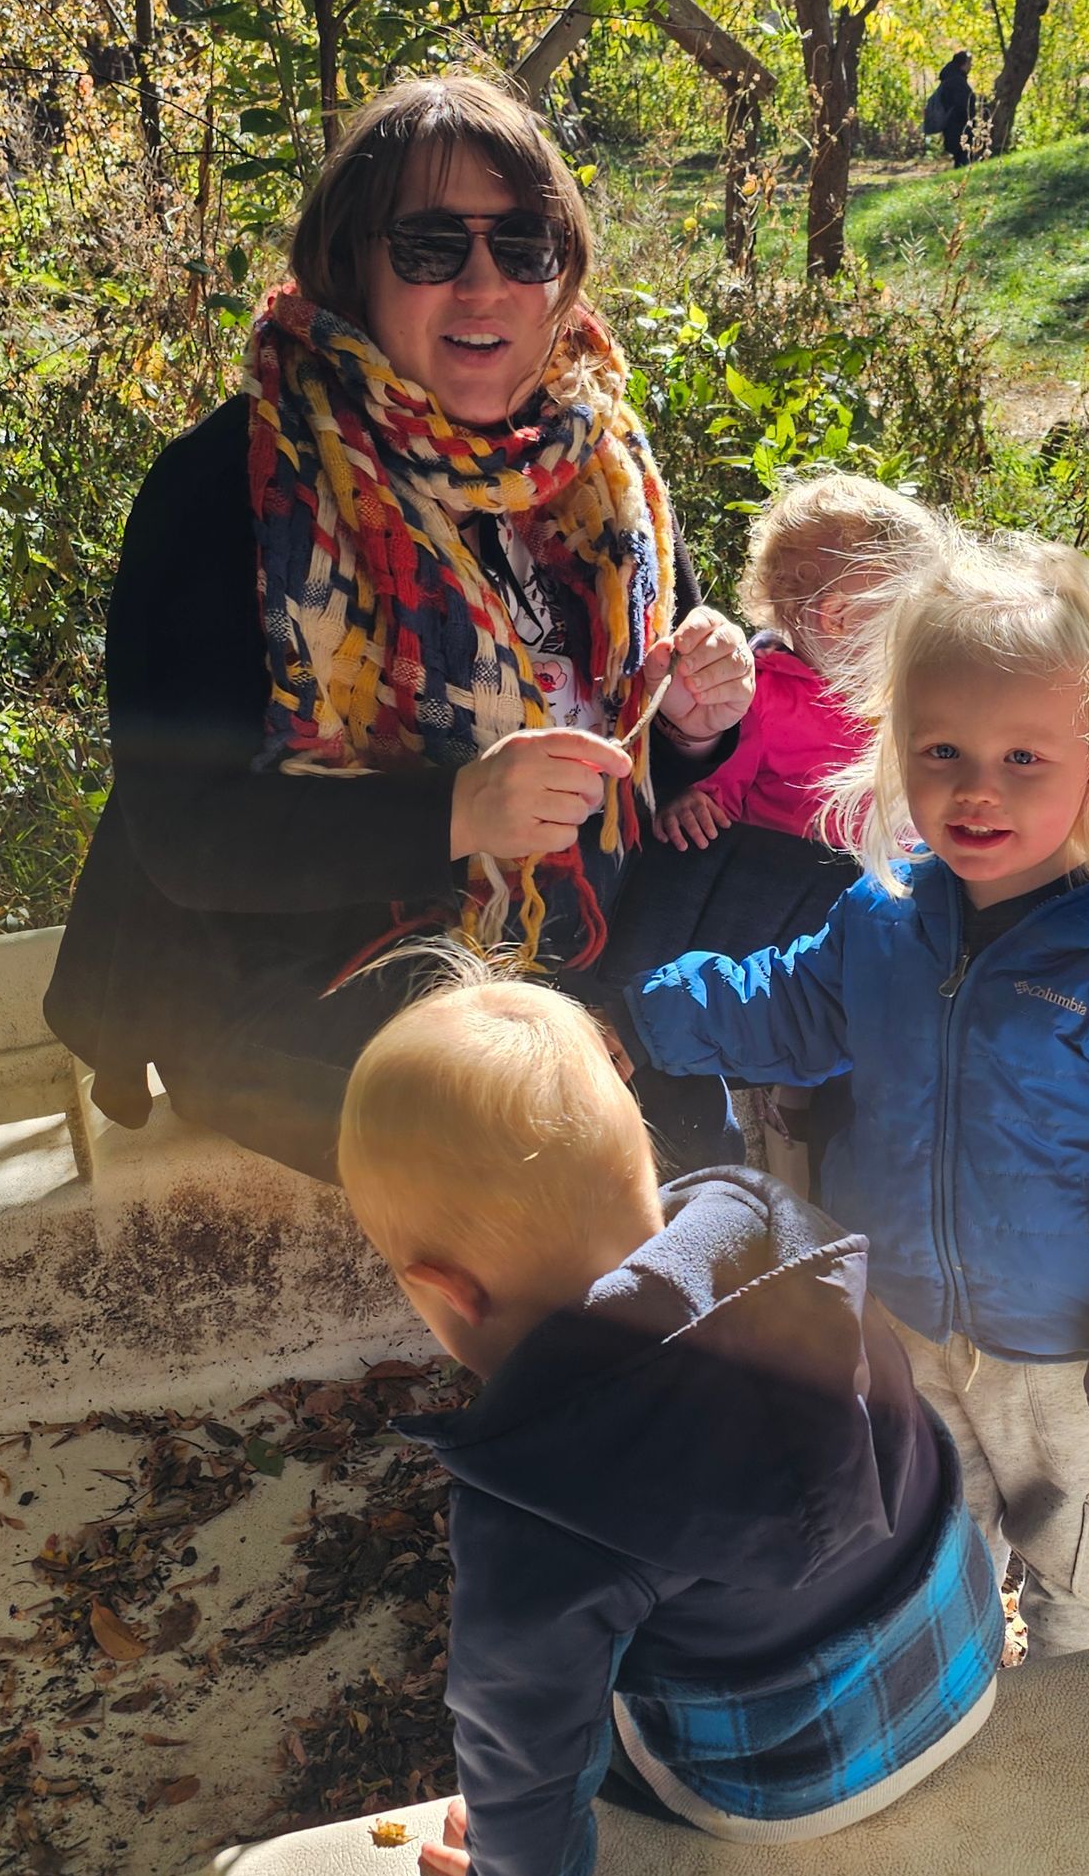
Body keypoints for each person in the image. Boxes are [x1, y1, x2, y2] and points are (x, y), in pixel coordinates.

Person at [43, 72, 756, 1183]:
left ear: (562, 273)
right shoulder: (232, 487)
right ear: (350, 267)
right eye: (430, 246)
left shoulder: (603, 474)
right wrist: (459, 810)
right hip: (289, 969)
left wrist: (698, 724)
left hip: (564, 936)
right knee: (550, 1155)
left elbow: (647, 754)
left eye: (523, 245)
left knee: (704, 1110)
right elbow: (186, 836)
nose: (484, 283)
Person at [621, 529, 1089, 1654]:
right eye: (941, 750)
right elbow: (790, 1006)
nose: (976, 790)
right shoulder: (887, 918)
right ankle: (959, 1683)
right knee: (937, 1541)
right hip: (914, 1329)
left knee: (1083, 1561)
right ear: (893, 743)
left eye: (1024, 758)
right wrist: (645, 1014)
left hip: (1081, 1370)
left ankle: (1085, 1706)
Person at [337, 968, 1006, 1876]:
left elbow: (524, 1727)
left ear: (450, 1291)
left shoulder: (538, 1484)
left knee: (580, 1686)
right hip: (959, 1659)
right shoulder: (785, 1237)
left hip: (775, 1780)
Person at [655, 471, 938, 857]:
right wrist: (687, 802)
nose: (924, 635)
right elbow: (710, 797)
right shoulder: (761, 699)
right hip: (798, 880)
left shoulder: (902, 694)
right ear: (838, 618)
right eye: (912, 617)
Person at [922, 51, 978, 168]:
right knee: (963, 159)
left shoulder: (950, 78)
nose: (971, 66)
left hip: (952, 127)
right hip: (959, 127)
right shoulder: (956, 81)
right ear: (963, 64)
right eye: (969, 63)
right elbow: (962, 105)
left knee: (961, 158)